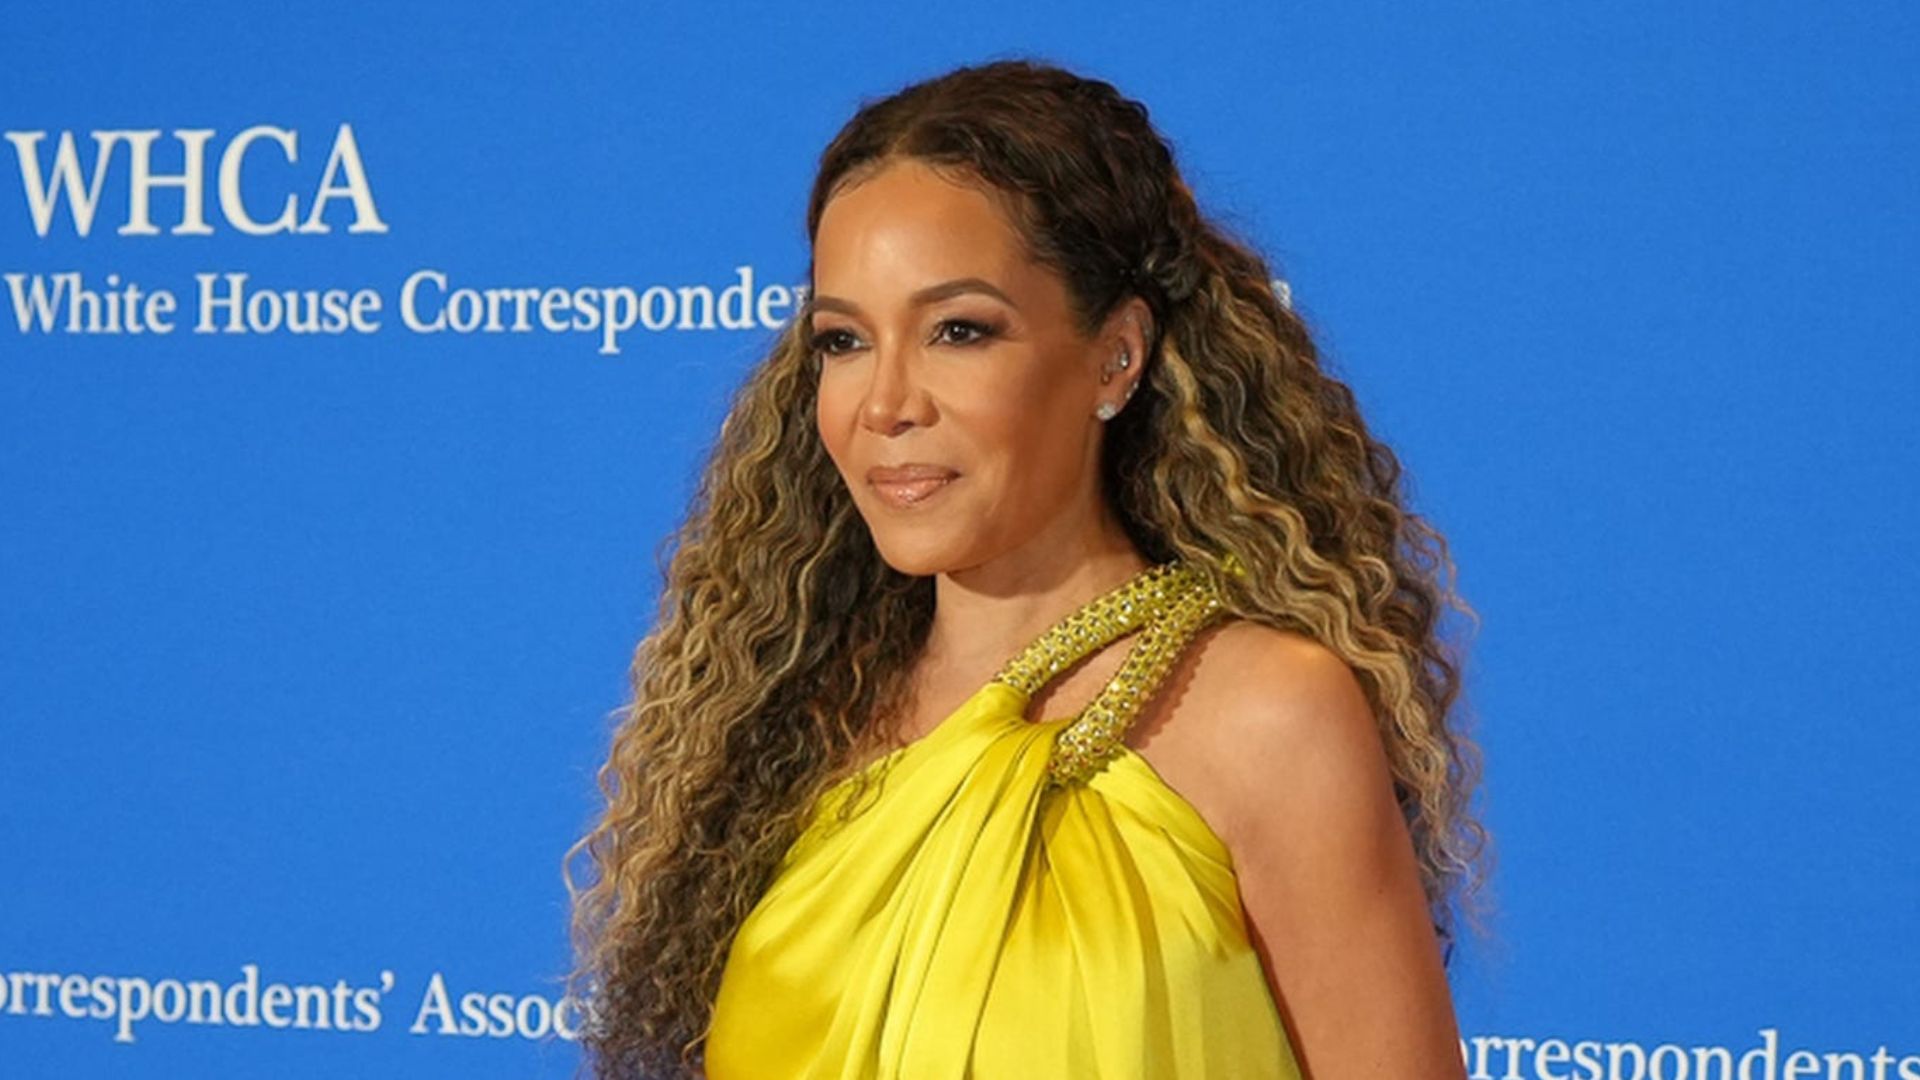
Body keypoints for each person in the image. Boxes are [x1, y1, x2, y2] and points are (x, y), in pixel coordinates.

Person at [565, 57, 1491, 1079]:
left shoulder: (1268, 715)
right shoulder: (794, 723)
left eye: (959, 331)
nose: (886, 405)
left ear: (1115, 356)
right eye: (843, 341)